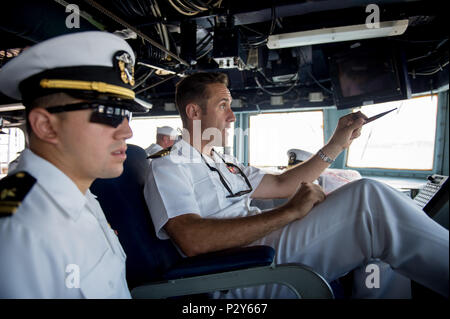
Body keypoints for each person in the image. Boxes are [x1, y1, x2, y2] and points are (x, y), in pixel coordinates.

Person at [144, 72, 449, 298]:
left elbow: (282, 182)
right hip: (236, 270)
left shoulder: (226, 162)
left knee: (376, 245)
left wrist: (337, 143)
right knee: (369, 201)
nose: (233, 116)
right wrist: (290, 213)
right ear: (194, 113)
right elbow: (193, 239)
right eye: (223, 105)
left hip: (264, 246)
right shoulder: (168, 164)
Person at [0, 31, 149, 298]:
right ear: (46, 126)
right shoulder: (20, 231)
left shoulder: (82, 195)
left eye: (126, 113)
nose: (127, 132)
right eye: (110, 113)